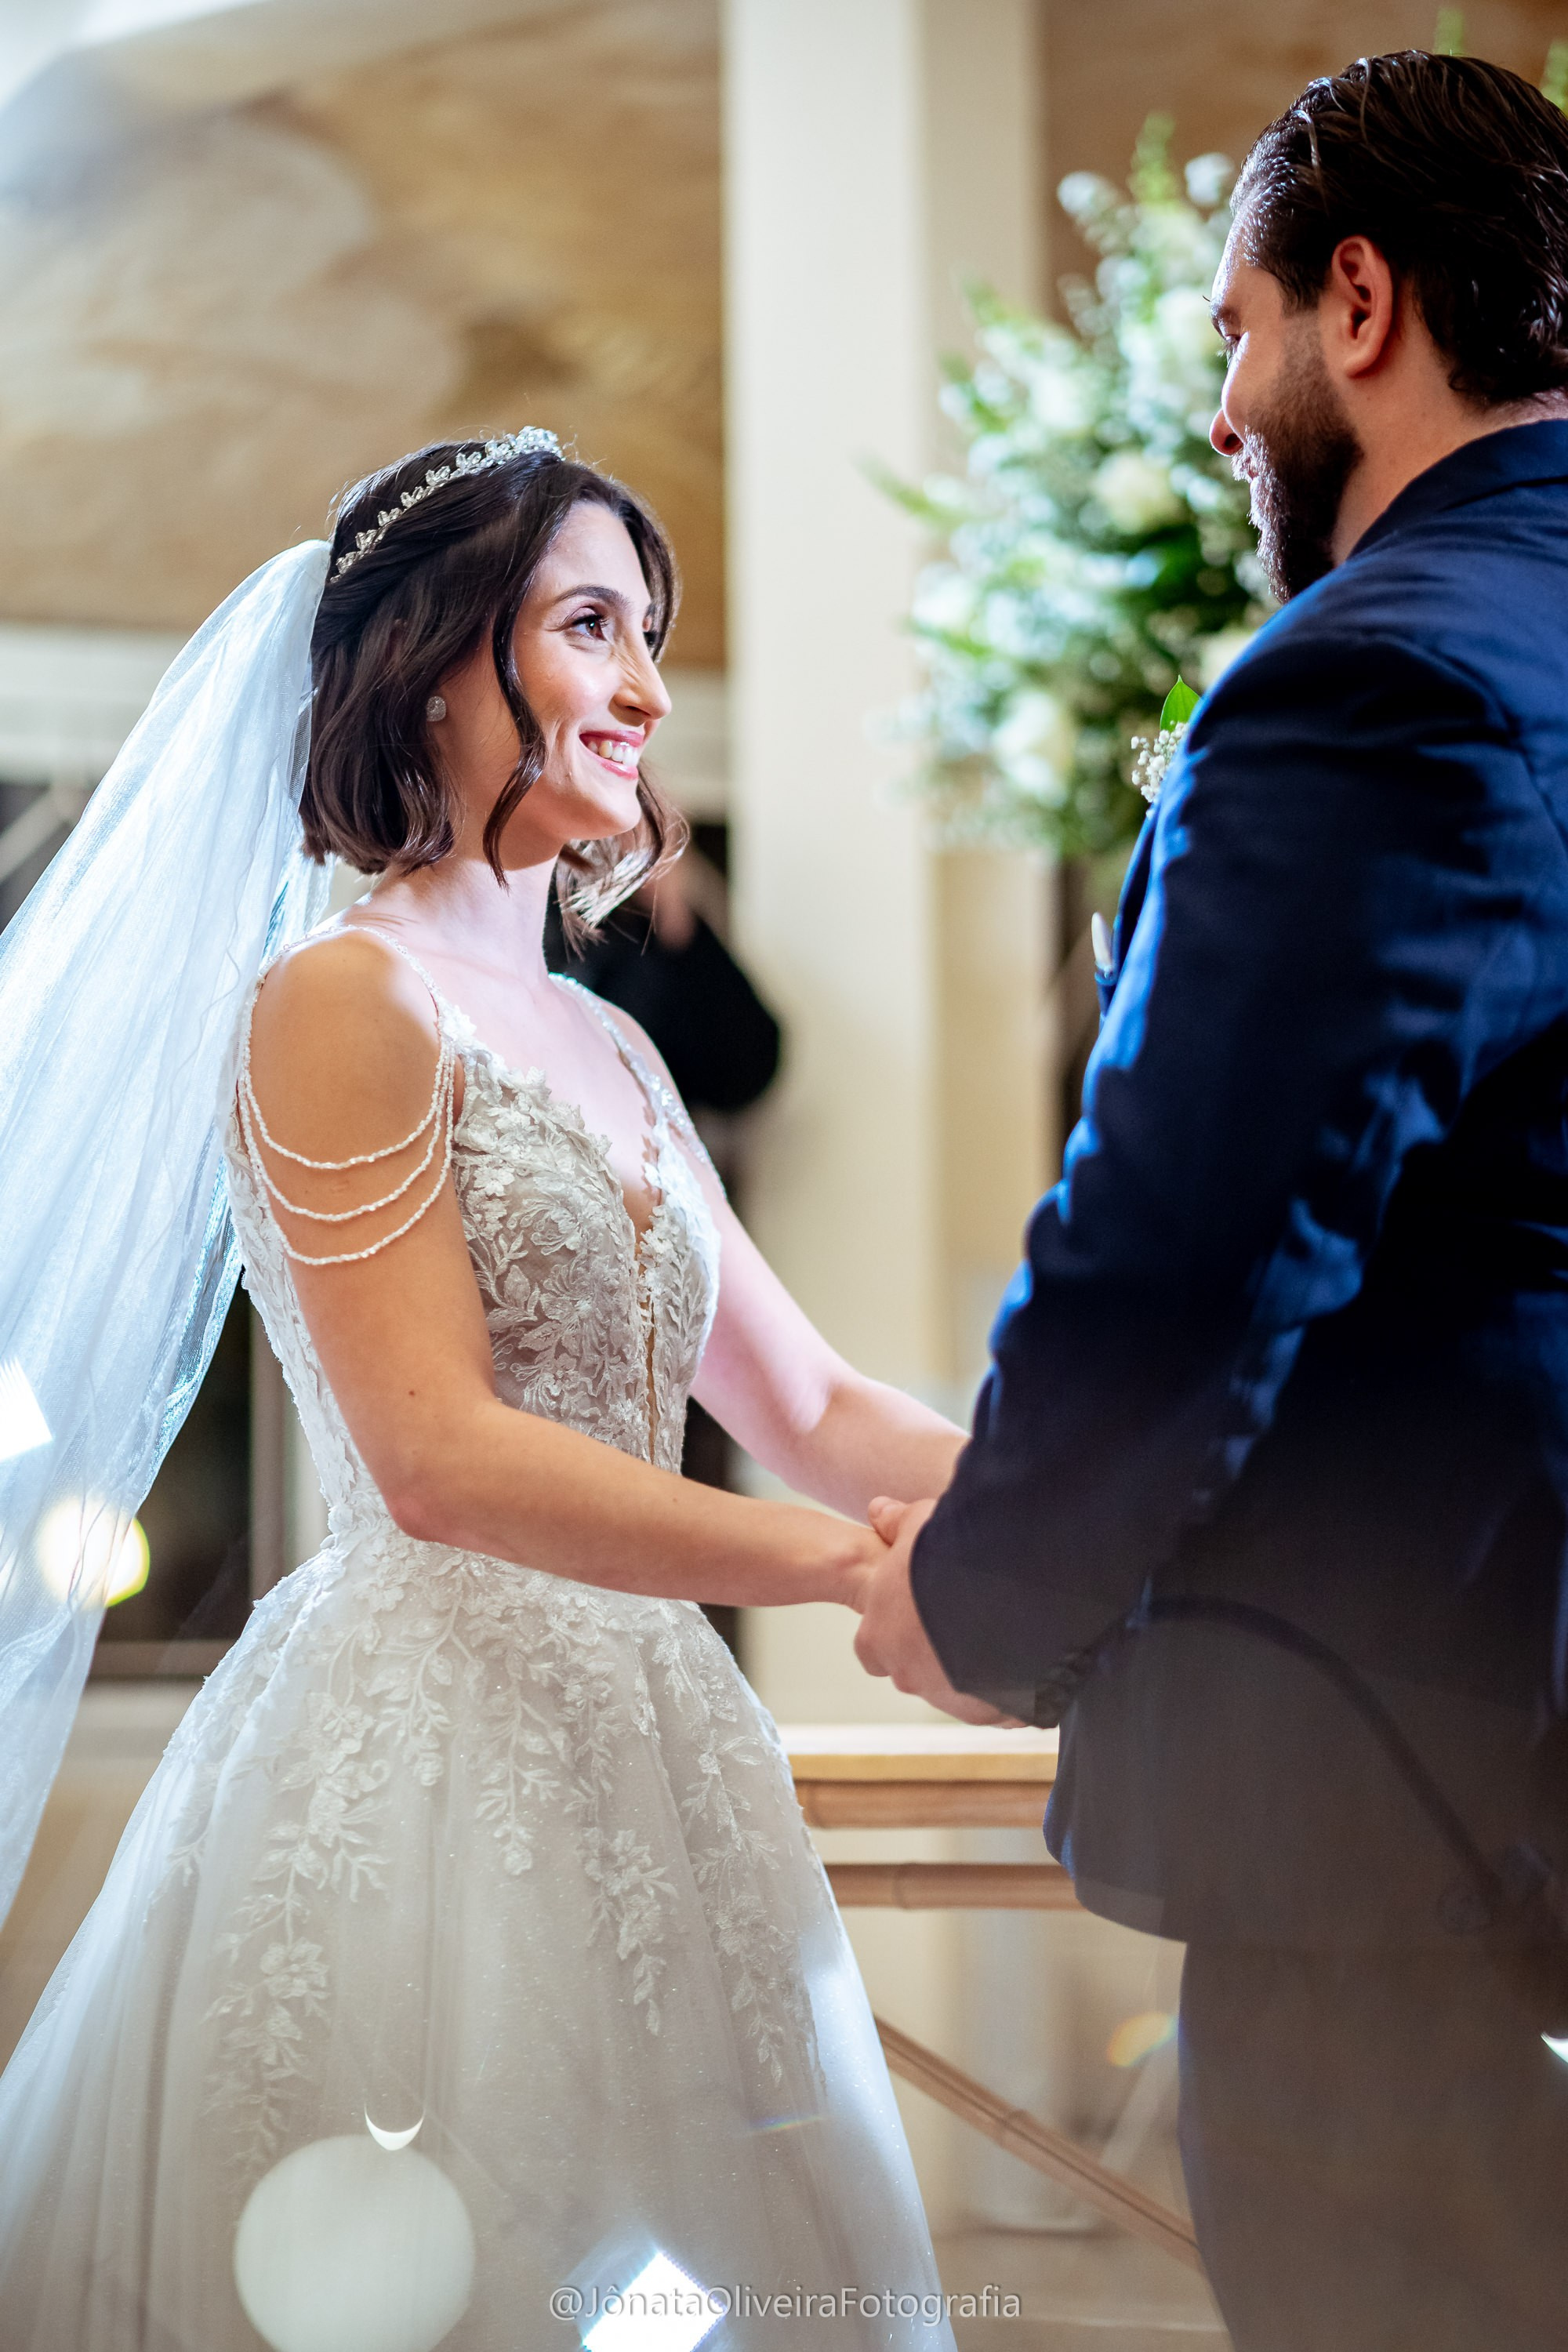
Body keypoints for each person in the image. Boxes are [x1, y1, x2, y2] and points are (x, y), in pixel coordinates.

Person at [0, 434, 967, 2348]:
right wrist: (852, 1571)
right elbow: (437, 1458)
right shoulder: (337, 1001)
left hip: (655, 1749)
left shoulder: (615, 1042)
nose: (645, 690)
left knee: (687, 2286)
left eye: (648, 635)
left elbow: (812, 1402)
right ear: (436, 661)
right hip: (426, 1762)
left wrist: (1066, 1507)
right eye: (590, 626)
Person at [857, 49, 1568, 2351]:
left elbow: (1189, 1249)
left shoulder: (1375, 681)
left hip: (1405, 1791)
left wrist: (985, 1600)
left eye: (1235, 336)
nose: (1222, 415)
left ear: (1360, 302)